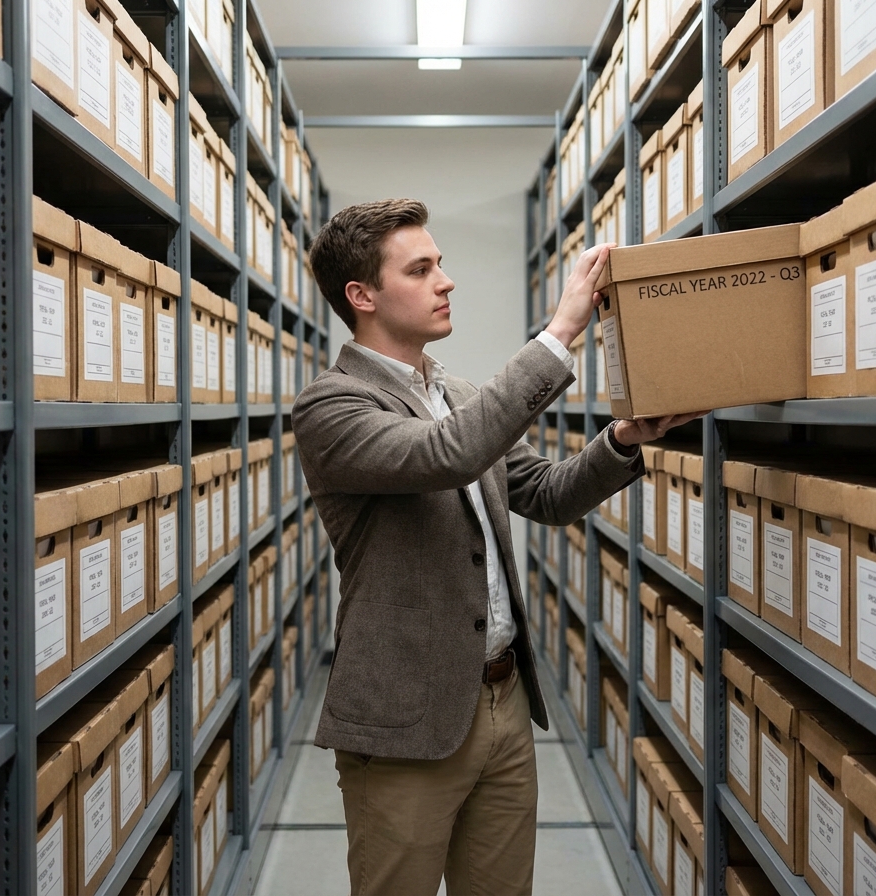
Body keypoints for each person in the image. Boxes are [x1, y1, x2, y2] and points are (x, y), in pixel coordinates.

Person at [292, 198, 703, 896]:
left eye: (441, 264)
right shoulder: (332, 408)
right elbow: (447, 456)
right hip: (407, 723)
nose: (445, 281)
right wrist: (561, 332)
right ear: (361, 296)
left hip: (504, 701)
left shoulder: (454, 391)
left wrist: (626, 439)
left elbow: (544, 492)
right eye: (420, 270)